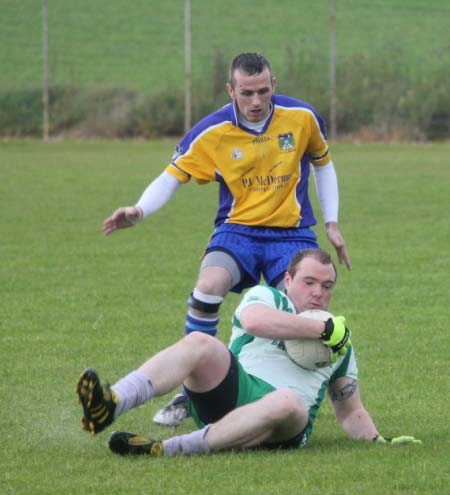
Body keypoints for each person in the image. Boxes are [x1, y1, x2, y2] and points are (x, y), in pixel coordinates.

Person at [102, 52, 352, 426]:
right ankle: (190, 391)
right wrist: (140, 209)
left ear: (274, 86)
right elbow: (172, 175)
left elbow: (323, 163)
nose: (255, 102)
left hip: (293, 231)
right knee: (209, 284)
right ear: (230, 89)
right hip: (238, 230)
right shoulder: (212, 130)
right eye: (246, 93)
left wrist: (331, 222)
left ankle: (322, 394)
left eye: (263, 92)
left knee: (309, 308)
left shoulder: (301, 118)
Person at [76, 249, 421, 456]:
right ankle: (110, 404)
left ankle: (165, 449)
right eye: (309, 282)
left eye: (327, 286)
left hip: (284, 427)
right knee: (200, 342)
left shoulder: (341, 345)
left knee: (287, 400)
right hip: (230, 395)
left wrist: (379, 442)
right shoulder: (268, 298)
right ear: (288, 280)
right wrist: (322, 329)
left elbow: (349, 410)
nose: (318, 293)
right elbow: (253, 321)